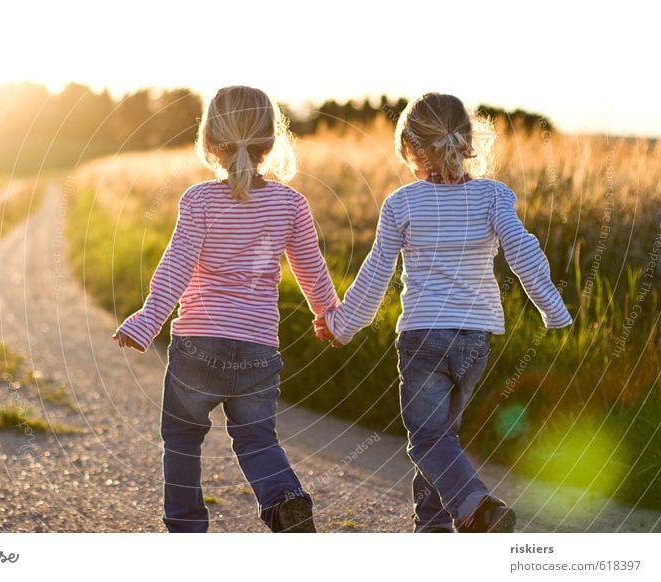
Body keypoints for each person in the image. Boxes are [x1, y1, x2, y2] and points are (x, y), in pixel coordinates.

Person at [316, 93, 573, 533]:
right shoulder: (494, 196)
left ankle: (478, 506)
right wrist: (554, 311)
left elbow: (376, 272)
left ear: (411, 150)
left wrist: (342, 325)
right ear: (468, 142)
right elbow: (523, 252)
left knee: (426, 440)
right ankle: (432, 528)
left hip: (423, 338)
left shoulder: (402, 202)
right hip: (476, 340)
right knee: (441, 440)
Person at [113, 85, 339, 533]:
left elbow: (176, 267)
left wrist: (147, 320)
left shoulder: (199, 200)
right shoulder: (290, 203)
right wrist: (332, 317)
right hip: (257, 348)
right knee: (256, 439)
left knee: (181, 438)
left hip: (198, 344)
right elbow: (313, 272)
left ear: (210, 142)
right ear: (270, 143)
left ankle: (186, 528)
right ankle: (284, 502)